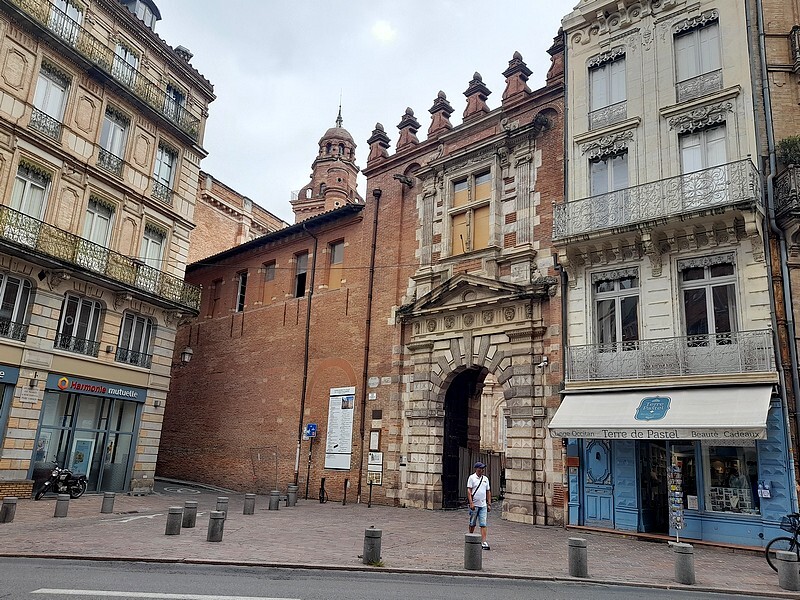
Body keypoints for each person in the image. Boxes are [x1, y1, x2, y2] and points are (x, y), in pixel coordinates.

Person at [467, 461, 492, 550]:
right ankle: (470, 537)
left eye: (483, 468)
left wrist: (489, 503)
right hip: (475, 504)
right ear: (477, 469)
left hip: (483, 505)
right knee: (472, 523)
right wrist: (471, 503)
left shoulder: (485, 479)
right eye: (480, 468)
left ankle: (484, 541)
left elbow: (488, 491)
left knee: (483, 524)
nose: (482, 470)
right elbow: (469, 491)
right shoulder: (472, 478)